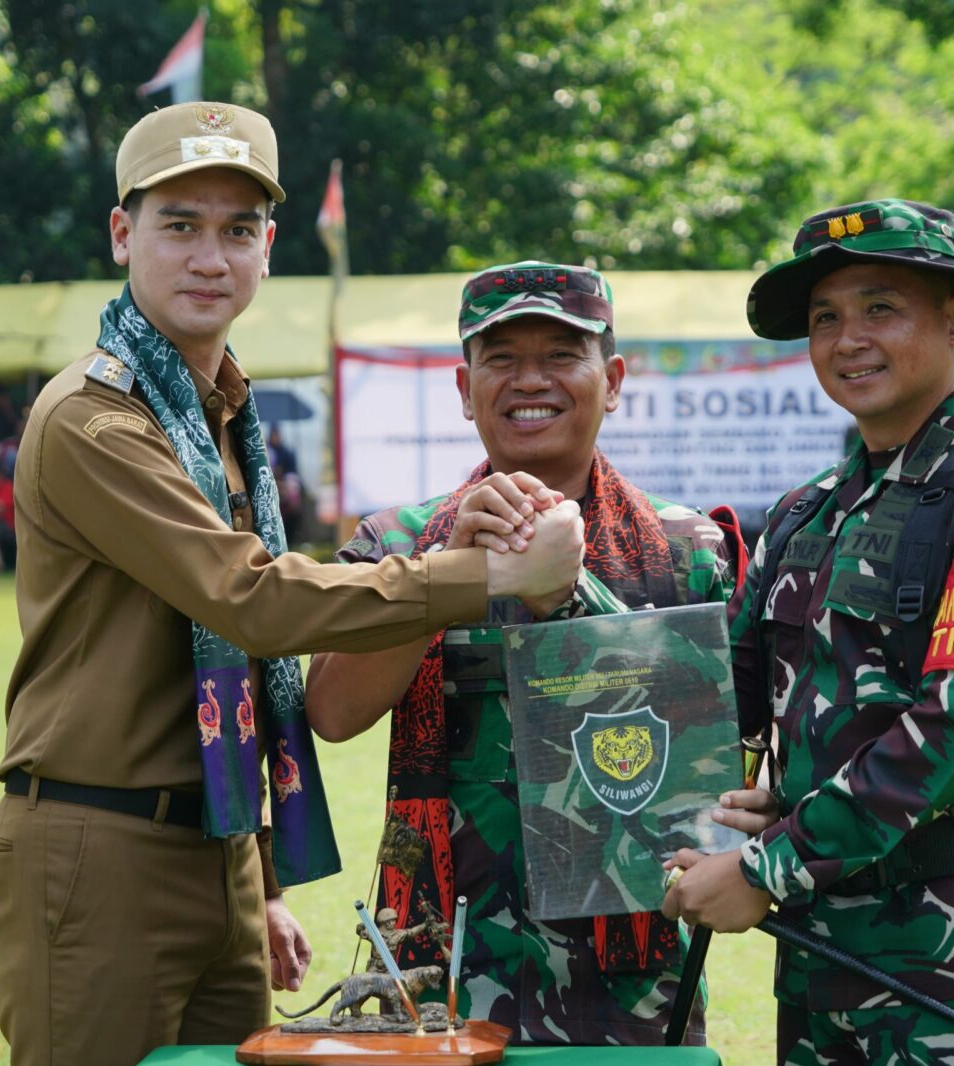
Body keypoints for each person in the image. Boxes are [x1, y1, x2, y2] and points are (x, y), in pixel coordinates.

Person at [0, 102, 583, 1066]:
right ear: (122, 234)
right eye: (180, 225)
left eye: (238, 230)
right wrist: (489, 574)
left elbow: (216, 660)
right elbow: (251, 602)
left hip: (219, 850)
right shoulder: (95, 420)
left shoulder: (217, 411)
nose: (209, 258)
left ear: (268, 249)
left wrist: (257, 882)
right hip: (102, 846)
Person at [662, 199, 954, 1066]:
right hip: (827, 961)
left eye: (880, 308)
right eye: (825, 318)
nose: (848, 340)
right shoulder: (806, 513)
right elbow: (730, 702)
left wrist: (766, 869)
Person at [305, 261, 736, 1046]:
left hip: (635, 983)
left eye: (561, 356)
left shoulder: (688, 551)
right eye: (501, 358)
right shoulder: (396, 544)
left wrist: (568, 597)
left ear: (612, 381)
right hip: (442, 971)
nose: (530, 380)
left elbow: (713, 763)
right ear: (464, 390)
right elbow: (332, 712)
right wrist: (444, 576)